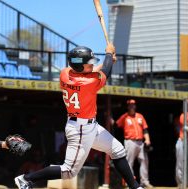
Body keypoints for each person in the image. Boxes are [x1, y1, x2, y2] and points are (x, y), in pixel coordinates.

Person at [14, 44, 143, 189]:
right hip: (81, 129)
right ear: (80, 66)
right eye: (89, 63)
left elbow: (92, 70)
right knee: (68, 171)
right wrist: (108, 55)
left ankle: (135, 187)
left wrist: (107, 61)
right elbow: (105, 72)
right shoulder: (89, 82)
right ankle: (26, 178)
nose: (92, 64)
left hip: (88, 125)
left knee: (117, 150)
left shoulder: (65, 73)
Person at [115, 99, 153, 188]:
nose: (132, 106)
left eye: (133, 105)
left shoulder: (140, 116)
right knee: (129, 163)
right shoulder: (125, 117)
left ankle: (145, 182)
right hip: (130, 141)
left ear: (135, 106)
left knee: (144, 161)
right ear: (127, 106)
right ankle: (130, 182)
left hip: (140, 142)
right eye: (130, 105)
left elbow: (145, 129)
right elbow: (116, 125)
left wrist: (147, 140)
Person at [175, 99, 188, 188]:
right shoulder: (183, 115)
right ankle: (181, 182)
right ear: (187, 107)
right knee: (181, 164)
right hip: (183, 141)